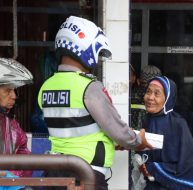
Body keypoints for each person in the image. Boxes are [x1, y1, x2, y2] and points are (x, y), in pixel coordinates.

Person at [37, 15, 152, 190]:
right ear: (84, 48)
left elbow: (74, 127)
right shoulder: (89, 87)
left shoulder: (46, 86)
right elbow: (116, 129)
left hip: (55, 170)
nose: (97, 60)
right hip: (85, 174)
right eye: (97, 53)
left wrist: (112, 141)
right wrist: (138, 140)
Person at [132, 75, 193, 190]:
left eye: (156, 94)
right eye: (148, 92)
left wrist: (153, 168)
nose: (150, 98)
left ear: (168, 98)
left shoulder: (178, 124)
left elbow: (191, 166)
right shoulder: (147, 120)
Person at [0, 57, 33, 188]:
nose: (14, 96)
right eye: (7, 90)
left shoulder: (10, 122)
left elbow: (23, 156)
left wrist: (13, 181)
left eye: (14, 90)